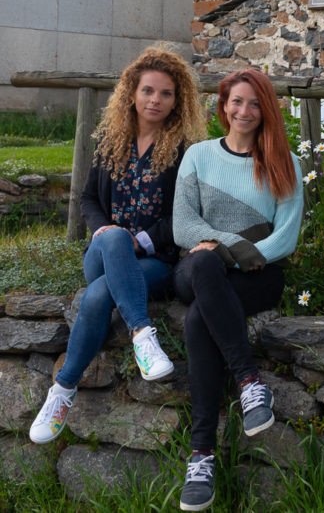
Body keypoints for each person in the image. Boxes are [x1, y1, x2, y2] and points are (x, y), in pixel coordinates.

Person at [29, 47, 205, 444]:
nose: (155, 100)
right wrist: (107, 231)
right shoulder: (111, 141)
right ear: (131, 93)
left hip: (155, 260)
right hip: (102, 252)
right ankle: (143, 331)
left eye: (166, 93)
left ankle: (62, 391)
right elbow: (88, 199)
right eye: (148, 91)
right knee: (110, 241)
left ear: (179, 101)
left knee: (99, 294)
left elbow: (183, 214)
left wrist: (139, 240)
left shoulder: (185, 151)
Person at [172, 68, 302, 512]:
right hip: (198, 269)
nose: (244, 111)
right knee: (204, 262)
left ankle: (201, 455)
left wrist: (233, 253)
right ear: (222, 105)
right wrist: (225, 249)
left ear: (265, 109)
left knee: (198, 319)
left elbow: (285, 237)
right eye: (236, 101)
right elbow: (184, 226)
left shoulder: (283, 162)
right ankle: (249, 381)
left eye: (254, 103)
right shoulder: (199, 155)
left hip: (258, 274)